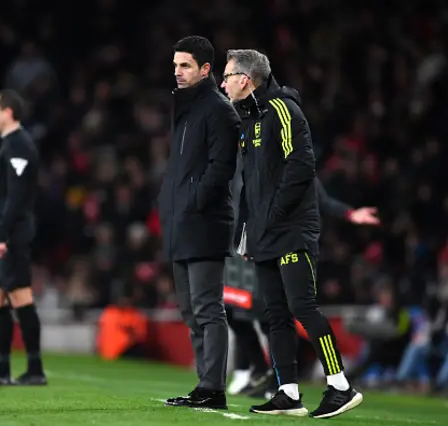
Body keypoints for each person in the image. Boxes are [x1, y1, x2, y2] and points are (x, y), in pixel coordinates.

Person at [222, 49, 363, 418]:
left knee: (303, 307)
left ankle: (341, 387)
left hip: (292, 229)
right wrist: (246, 233)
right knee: (275, 315)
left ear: (246, 79)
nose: (222, 83)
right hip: (266, 232)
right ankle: (288, 392)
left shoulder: (283, 110)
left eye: (227, 76)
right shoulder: (249, 120)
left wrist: (274, 215)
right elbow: (251, 186)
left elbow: (301, 168)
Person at [226, 177, 380, 397]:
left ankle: (337, 382)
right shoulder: (262, 170)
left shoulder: (299, 168)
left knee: (297, 312)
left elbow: (324, 202)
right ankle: (280, 383)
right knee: (271, 318)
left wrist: (350, 213)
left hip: (297, 250)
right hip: (269, 252)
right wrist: (244, 240)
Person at [158, 36, 240, 409]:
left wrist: (192, 203)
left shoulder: (218, 109)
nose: (177, 71)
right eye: (175, 65)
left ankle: (213, 388)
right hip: (181, 221)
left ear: (206, 69)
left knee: (207, 307)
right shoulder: (187, 108)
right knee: (191, 311)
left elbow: (221, 168)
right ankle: (204, 385)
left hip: (204, 222)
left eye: (185, 65)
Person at [0, 89, 46, 386]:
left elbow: (15, 198)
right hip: (2, 233)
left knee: (19, 296)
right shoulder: (7, 146)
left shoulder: (19, 146)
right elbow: (2, 200)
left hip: (14, 234)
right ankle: (2, 370)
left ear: (9, 112)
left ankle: (35, 369)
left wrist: (1, 237)